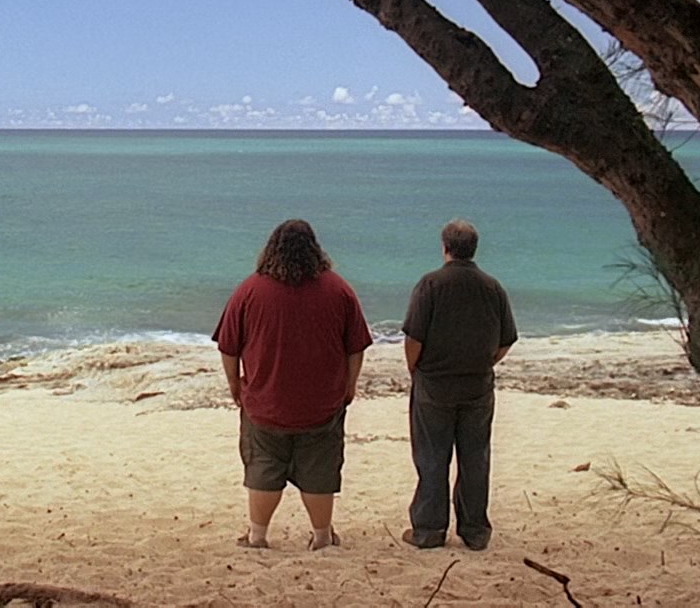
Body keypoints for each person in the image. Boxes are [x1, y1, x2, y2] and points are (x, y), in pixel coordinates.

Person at [213, 218, 374, 551]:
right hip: (321, 404)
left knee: (263, 468)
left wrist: (234, 385)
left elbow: (228, 346)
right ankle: (322, 536)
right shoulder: (339, 290)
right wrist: (350, 385)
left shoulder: (250, 290)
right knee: (319, 472)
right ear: (315, 249)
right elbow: (355, 346)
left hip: (265, 402)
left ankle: (257, 536)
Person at [401, 219, 517, 551]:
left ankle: (429, 529)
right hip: (477, 384)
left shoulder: (430, 284)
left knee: (432, 456)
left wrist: (414, 368)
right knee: (475, 457)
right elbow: (506, 339)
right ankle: (475, 529)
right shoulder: (492, 287)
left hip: (435, 383)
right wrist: (485, 362)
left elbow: (414, 338)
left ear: (445, 248)